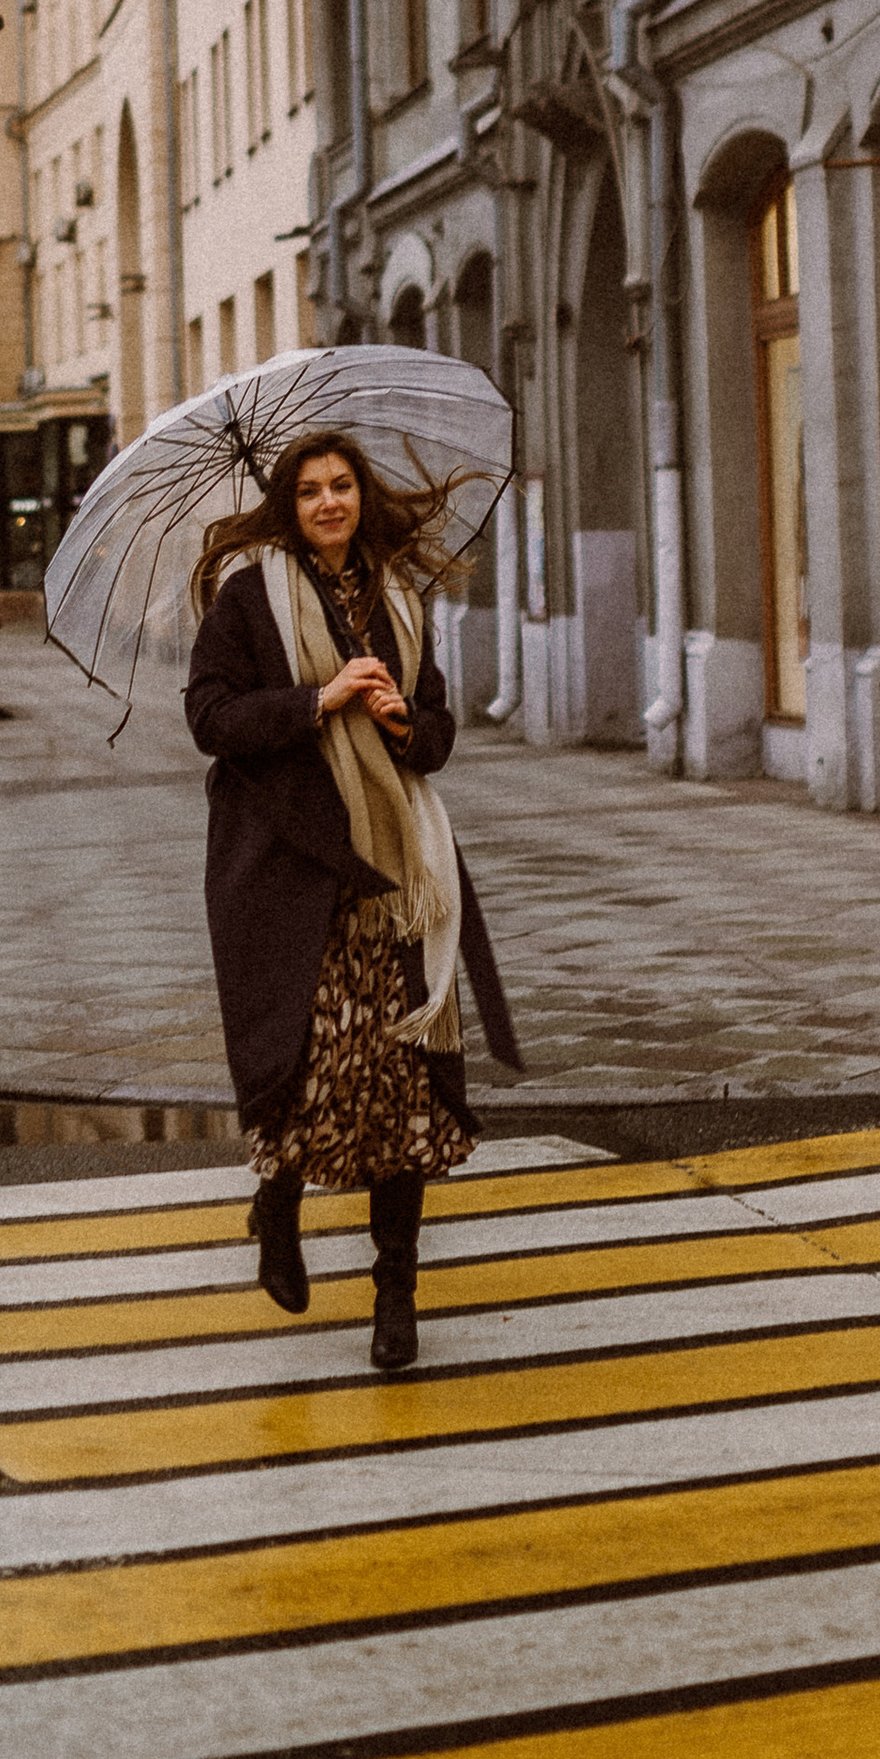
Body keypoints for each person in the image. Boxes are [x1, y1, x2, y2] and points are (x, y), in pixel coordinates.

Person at [184, 431, 518, 1371]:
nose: (329, 502)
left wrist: (407, 722)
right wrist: (321, 698)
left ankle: (395, 1297)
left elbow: (440, 726)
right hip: (295, 874)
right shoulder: (249, 594)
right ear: (287, 506)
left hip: (398, 879)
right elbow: (209, 716)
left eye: (341, 486)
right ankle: (279, 1204)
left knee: (405, 1091)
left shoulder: (399, 600)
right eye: (309, 490)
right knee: (312, 1078)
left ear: (361, 496)